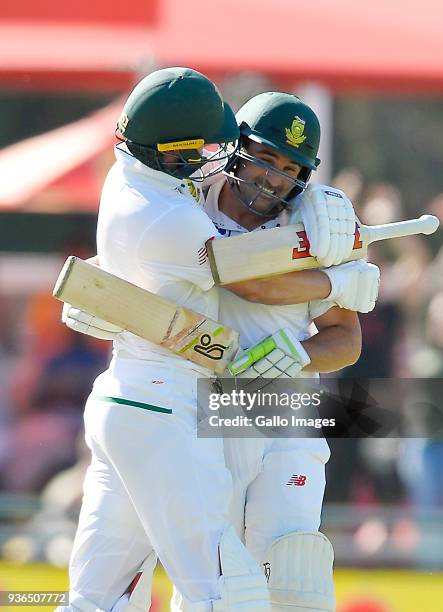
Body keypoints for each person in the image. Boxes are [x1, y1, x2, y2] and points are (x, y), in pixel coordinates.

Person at [62, 90, 380, 611]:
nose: (274, 177)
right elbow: (228, 276)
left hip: (281, 410)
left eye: (290, 167)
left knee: (293, 578)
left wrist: (296, 358)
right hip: (202, 406)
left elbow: (347, 341)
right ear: (234, 148)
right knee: (218, 581)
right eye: (263, 156)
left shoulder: (322, 224)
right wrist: (105, 295)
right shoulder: (189, 196)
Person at [57, 66, 275, 612]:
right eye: (201, 145)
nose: (214, 155)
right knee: (227, 591)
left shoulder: (128, 178)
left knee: (97, 601)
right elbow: (255, 284)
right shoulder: (171, 219)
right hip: (164, 405)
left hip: (129, 399)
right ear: (171, 149)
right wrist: (334, 267)